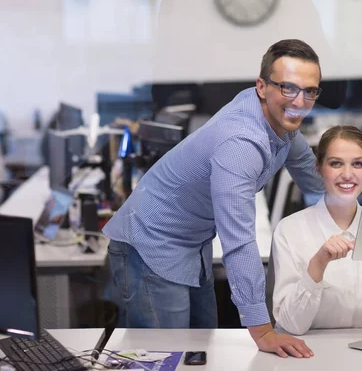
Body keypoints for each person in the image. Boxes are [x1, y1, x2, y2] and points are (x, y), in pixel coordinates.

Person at [103, 39, 327, 358]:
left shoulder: (278, 120)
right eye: (288, 88)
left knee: (201, 355)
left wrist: (346, 182)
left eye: (310, 91)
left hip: (193, 244)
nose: (300, 101)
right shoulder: (240, 144)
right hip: (150, 244)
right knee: (165, 359)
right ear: (261, 86)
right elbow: (238, 241)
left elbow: (309, 171)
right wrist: (263, 331)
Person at [272, 126, 362, 335]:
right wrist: (317, 265)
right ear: (319, 167)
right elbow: (291, 324)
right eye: (336, 163)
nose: (347, 174)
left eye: (358, 164)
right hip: (311, 357)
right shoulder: (290, 230)